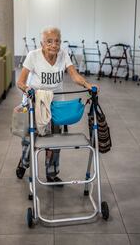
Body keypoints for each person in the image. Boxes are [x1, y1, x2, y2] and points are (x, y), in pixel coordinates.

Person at [17, 26, 99, 184]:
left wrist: (87, 85)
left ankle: (52, 173)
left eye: (57, 41)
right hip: (35, 102)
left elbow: (74, 76)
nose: (53, 45)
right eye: (49, 41)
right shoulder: (32, 56)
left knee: (55, 139)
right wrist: (28, 90)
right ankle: (24, 162)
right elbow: (20, 82)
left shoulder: (63, 55)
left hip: (55, 104)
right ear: (42, 43)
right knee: (30, 138)